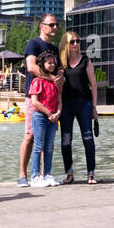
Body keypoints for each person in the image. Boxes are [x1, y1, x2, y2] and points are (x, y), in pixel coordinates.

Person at [58, 31, 99, 184]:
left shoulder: (85, 61)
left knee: (88, 138)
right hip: (67, 105)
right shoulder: (61, 63)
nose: (76, 44)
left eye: (77, 41)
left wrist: (94, 107)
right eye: (72, 41)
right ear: (66, 44)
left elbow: (93, 85)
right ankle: (69, 174)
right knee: (66, 140)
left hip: (84, 105)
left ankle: (90, 174)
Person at [27, 51, 62, 186]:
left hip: (53, 118)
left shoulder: (55, 83)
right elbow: (35, 102)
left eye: (54, 62)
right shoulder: (37, 81)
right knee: (38, 146)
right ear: (42, 64)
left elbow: (59, 100)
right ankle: (35, 176)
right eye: (49, 62)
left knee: (49, 148)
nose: (52, 65)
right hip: (41, 117)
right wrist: (49, 113)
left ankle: (47, 174)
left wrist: (58, 113)